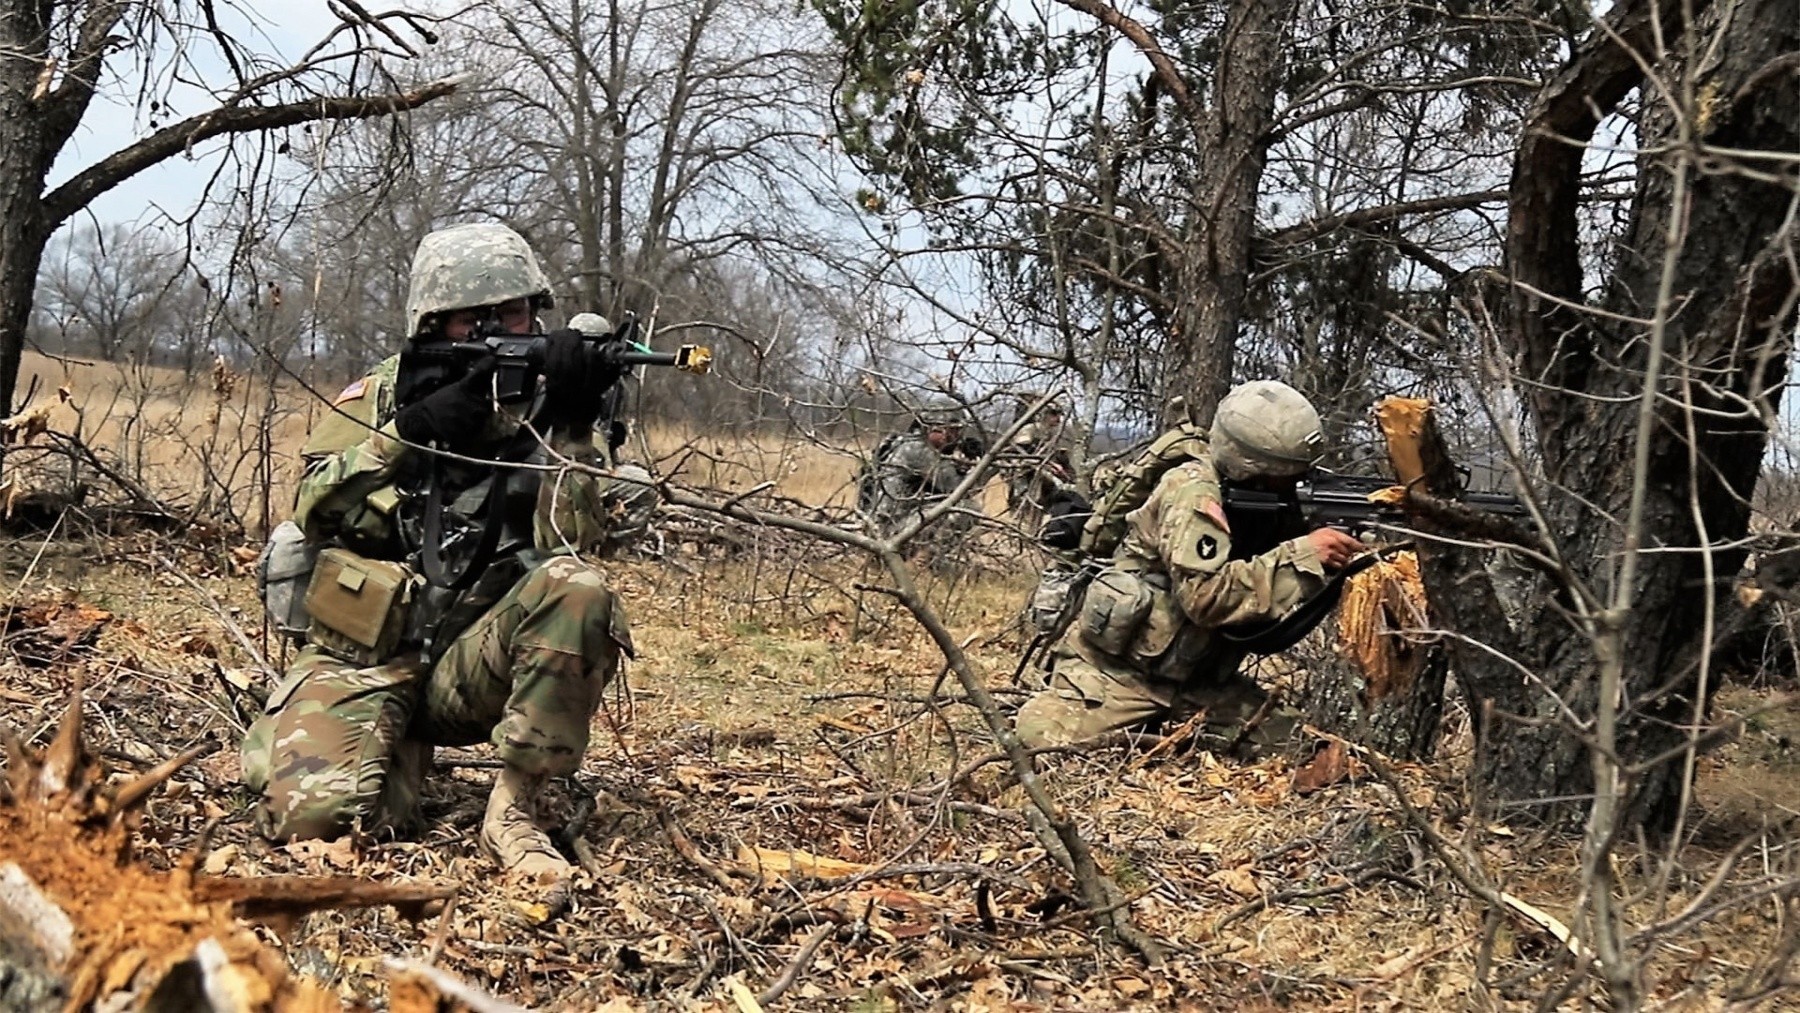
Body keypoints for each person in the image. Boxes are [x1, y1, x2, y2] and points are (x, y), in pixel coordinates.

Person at [241, 222, 656, 888]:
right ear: (433, 323)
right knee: (314, 821)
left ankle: (513, 807)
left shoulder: (550, 403)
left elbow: (570, 546)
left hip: (473, 661)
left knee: (580, 589)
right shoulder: (384, 393)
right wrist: (411, 431)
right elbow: (309, 508)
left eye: (514, 312)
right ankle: (384, 743)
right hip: (366, 656)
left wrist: (573, 426)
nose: (498, 330)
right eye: (474, 319)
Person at [1014, 380, 1367, 752]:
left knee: (1304, 751)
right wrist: (1305, 555)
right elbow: (1205, 598)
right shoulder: (1191, 492)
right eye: (1285, 472)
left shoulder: (1263, 501)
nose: (1293, 481)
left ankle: (1166, 731)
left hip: (1199, 685)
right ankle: (1149, 729)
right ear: (1251, 465)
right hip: (1120, 676)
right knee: (1040, 741)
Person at [856, 406, 983, 540]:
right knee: (968, 509)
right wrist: (986, 462)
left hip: (885, 524)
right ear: (931, 428)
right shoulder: (917, 450)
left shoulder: (905, 442)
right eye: (951, 430)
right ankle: (924, 558)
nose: (955, 437)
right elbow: (960, 489)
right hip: (890, 528)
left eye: (957, 431)